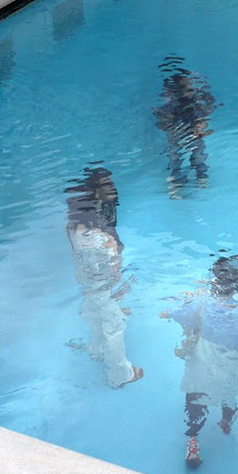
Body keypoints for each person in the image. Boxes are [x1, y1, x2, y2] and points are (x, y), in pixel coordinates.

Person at [161, 255, 238, 468]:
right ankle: (226, 420)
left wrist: (168, 312)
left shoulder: (202, 303)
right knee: (229, 394)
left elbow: (180, 315)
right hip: (234, 365)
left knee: (196, 399)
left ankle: (193, 441)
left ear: (213, 283)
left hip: (204, 363)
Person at [65, 165, 143, 389]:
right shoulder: (88, 230)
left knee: (93, 310)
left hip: (92, 279)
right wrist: (113, 275)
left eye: (112, 183)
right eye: (106, 184)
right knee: (115, 324)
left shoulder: (87, 216)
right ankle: (120, 375)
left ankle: (97, 350)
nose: (113, 188)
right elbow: (95, 255)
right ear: (93, 191)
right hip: (99, 279)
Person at [153, 66, 216, 199]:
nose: (192, 91)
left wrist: (202, 126)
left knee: (199, 155)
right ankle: (175, 183)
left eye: (191, 88)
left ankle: (201, 177)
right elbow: (160, 120)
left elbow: (205, 114)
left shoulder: (195, 103)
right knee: (174, 157)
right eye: (188, 89)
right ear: (176, 93)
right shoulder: (171, 106)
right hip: (176, 135)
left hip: (193, 133)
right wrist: (168, 127)